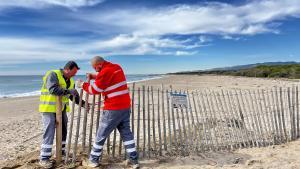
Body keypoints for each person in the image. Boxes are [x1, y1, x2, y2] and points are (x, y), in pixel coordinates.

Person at [77, 56, 139, 169]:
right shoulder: (116, 67)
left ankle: (93, 160)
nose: (95, 70)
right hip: (125, 106)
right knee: (126, 133)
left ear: (100, 65)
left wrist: (82, 84)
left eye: (95, 68)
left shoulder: (105, 71)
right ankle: (134, 160)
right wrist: (95, 75)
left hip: (113, 108)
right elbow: (108, 77)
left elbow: (94, 90)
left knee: (101, 134)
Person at [39, 61, 86, 168]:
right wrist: (68, 91)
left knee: (63, 130)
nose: (74, 75)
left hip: (62, 109)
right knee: (49, 132)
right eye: (73, 72)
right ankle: (44, 158)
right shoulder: (53, 74)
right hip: (48, 108)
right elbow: (52, 89)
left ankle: (61, 153)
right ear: (67, 69)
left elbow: (72, 95)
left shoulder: (70, 80)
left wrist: (83, 104)